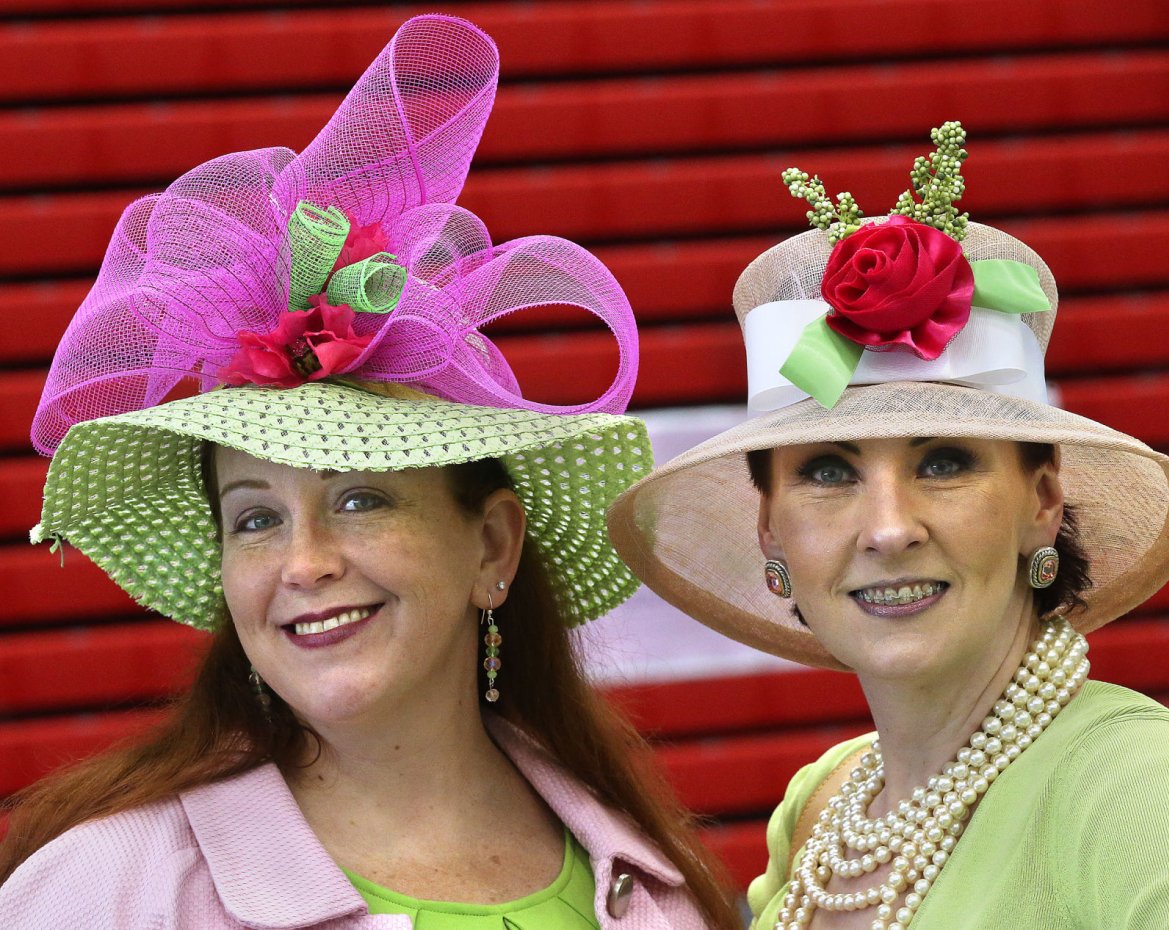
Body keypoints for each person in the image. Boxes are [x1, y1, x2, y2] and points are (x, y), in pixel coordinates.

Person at [0, 16, 740, 930]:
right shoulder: (101, 892)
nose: (303, 563)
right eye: (255, 517)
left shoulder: (646, 879)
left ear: (492, 545)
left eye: (359, 498)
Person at [608, 122, 1169, 929]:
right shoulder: (823, 803)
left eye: (944, 462)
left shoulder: (1144, 791)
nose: (889, 529)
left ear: (1043, 502)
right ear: (770, 532)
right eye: (827, 472)